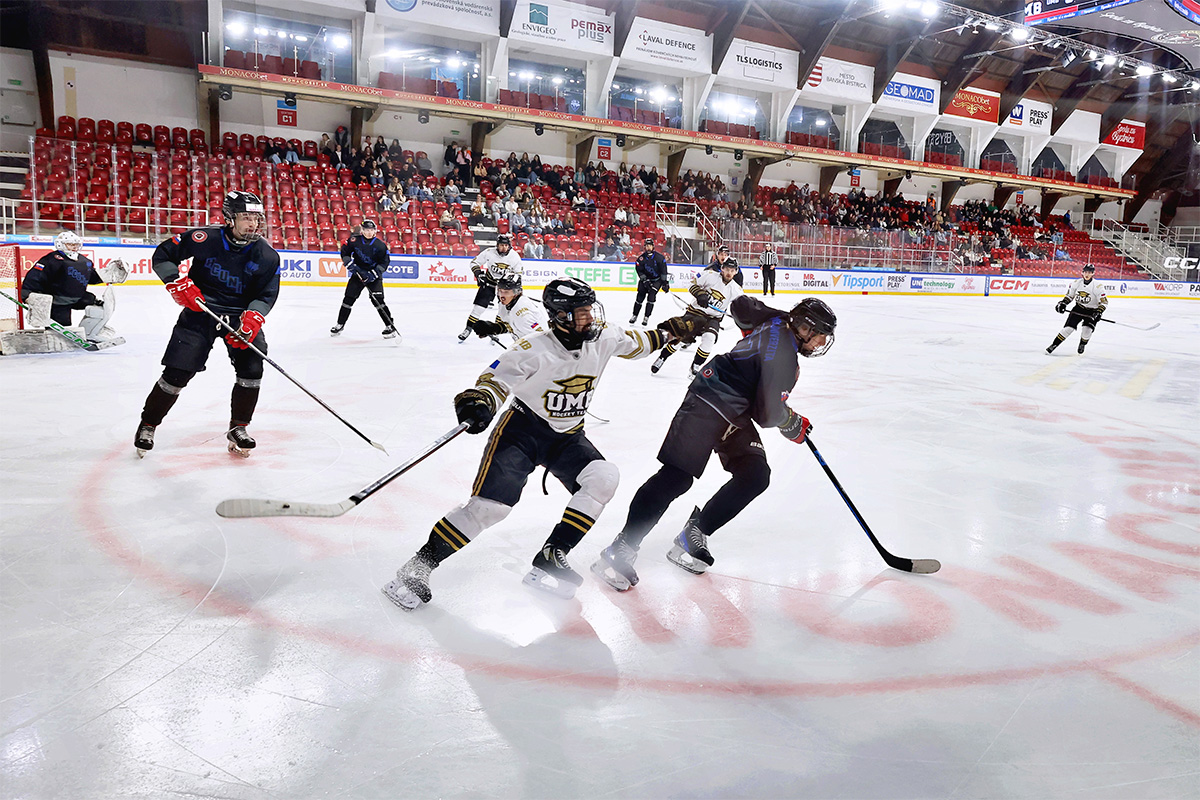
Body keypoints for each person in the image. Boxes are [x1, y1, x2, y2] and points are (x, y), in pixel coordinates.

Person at [381, 278, 701, 610]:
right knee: (489, 509)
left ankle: (552, 554)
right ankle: (417, 566)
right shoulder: (533, 348)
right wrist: (480, 401)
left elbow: (639, 343)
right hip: (521, 433)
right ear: (560, 316)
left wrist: (673, 330)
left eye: (590, 310)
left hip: (568, 437)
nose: (590, 318)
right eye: (581, 313)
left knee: (603, 478)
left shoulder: (603, 337)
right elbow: (494, 380)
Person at [592, 296, 838, 591]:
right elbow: (767, 414)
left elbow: (741, 306)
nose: (822, 342)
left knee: (755, 475)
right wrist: (791, 422)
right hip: (708, 401)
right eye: (820, 334)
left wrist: (782, 319)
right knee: (676, 477)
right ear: (805, 328)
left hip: (734, 411)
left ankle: (694, 532)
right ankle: (621, 547)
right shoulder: (785, 357)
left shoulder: (775, 321)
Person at [133, 191, 280, 458]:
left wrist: (253, 317)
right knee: (177, 373)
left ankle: (238, 428)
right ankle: (148, 424)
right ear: (229, 218)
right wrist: (176, 282)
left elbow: (267, 294)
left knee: (252, 370)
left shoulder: (267, 255)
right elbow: (163, 255)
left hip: (239, 316)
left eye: (257, 218)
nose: (253, 224)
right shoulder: (204, 238)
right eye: (246, 217)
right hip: (200, 310)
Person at [19, 230, 125, 342]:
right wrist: (27, 294)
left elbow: (91, 277)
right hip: (57, 301)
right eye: (70, 244)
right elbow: (35, 277)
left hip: (77, 297)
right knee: (61, 331)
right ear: (60, 244)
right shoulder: (52, 260)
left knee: (99, 307)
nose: (74, 247)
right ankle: (56, 341)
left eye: (76, 244)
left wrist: (108, 275)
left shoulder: (84, 261)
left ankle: (90, 333)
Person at [651, 257, 744, 377]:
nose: (729, 273)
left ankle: (696, 365)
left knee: (710, 338)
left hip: (713, 318)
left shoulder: (736, 290)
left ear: (736, 272)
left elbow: (741, 306)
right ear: (722, 268)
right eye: (727, 269)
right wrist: (700, 294)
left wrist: (741, 315)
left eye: (732, 270)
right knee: (681, 337)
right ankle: (662, 357)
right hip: (695, 313)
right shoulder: (709, 275)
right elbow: (692, 284)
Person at [330, 220, 398, 339]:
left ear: (375, 231)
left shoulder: (380, 245)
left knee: (378, 301)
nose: (369, 232)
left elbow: (385, 262)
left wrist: (373, 274)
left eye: (371, 230)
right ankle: (340, 324)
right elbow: (345, 252)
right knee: (348, 299)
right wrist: (349, 264)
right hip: (358, 274)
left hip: (373, 276)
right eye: (366, 230)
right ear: (362, 230)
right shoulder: (354, 240)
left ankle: (390, 326)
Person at [458, 234, 522, 342]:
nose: (504, 248)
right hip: (489, 283)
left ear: (509, 246)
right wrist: (479, 274)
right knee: (478, 308)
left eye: (506, 245)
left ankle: (495, 331)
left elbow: (518, 274)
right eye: (501, 245)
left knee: (502, 311)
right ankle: (468, 329)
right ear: (497, 245)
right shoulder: (489, 252)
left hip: (504, 288)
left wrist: (513, 286)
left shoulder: (514, 257)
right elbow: (474, 263)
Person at [467, 270, 546, 343]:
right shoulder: (505, 304)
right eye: (500, 291)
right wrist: (494, 328)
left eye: (506, 292)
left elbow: (542, 341)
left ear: (516, 293)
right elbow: (513, 325)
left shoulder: (524, 315)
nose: (502, 296)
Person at [1046, 263, 1107, 355]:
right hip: (1079, 308)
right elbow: (1069, 296)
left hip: (1092, 311)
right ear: (1082, 272)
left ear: (1093, 273)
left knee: (1087, 331)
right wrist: (1063, 303)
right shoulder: (1076, 283)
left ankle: (1082, 343)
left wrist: (1099, 312)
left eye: (1090, 272)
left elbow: (1104, 302)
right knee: (1068, 329)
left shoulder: (1098, 286)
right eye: (1085, 272)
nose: (1087, 274)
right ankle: (1054, 344)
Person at [630, 238, 669, 325]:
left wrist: (664, 283)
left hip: (656, 281)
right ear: (644, 247)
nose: (648, 247)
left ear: (653, 246)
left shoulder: (660, 258)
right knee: (639, 298)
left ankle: (646, 317)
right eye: (647, 246)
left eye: (650, 246)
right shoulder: (641, 258)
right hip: (645, 281)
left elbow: (663, 270)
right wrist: (645, 280)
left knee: (651, 298)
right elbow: (639, 270)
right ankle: (634, 315)